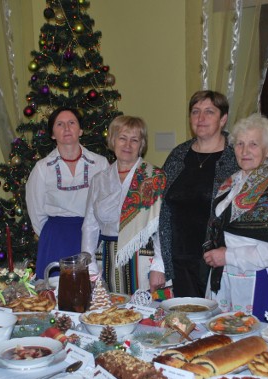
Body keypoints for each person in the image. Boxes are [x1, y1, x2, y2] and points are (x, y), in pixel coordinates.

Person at [202, 113, 268, 329]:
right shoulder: (232, 182)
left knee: (257, 344)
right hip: (229, 275)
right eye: (240, 144)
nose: (245, 151)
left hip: (260, 281)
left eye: (253, 144)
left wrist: (226, 255)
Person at [159, 90, 239, 297]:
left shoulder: (238, 155)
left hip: (218, 260)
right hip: (178, 258)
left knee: (218, 323)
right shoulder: (178, 155)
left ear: (223, 119)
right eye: (195, 112)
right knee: (185, 319)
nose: (200, 118)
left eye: (209, 112)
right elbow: (162, 206)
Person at [81, 116, 166, 295]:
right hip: (105, 260)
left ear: (141, 145)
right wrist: (90, 266)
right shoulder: (99, 180)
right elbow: (90, 226)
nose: (128, 145)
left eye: (134, 140)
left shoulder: (154, 177)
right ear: (113, 141)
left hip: (143, 260)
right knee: (110, 316)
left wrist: (159, 266)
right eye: (122, 138)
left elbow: (162, 227)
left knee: (146, 315)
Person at [26, 106, 109, 279]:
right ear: (52, 134)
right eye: (60, 124)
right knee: (57, 293)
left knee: (94, 293)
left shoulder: (100, 164)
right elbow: (36, 211)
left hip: (93, 237)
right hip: (56, 239)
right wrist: (53, 236)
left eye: (71, 123)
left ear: (80, 130)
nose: (66, 128)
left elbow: (107, 204)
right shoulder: (42, 169)